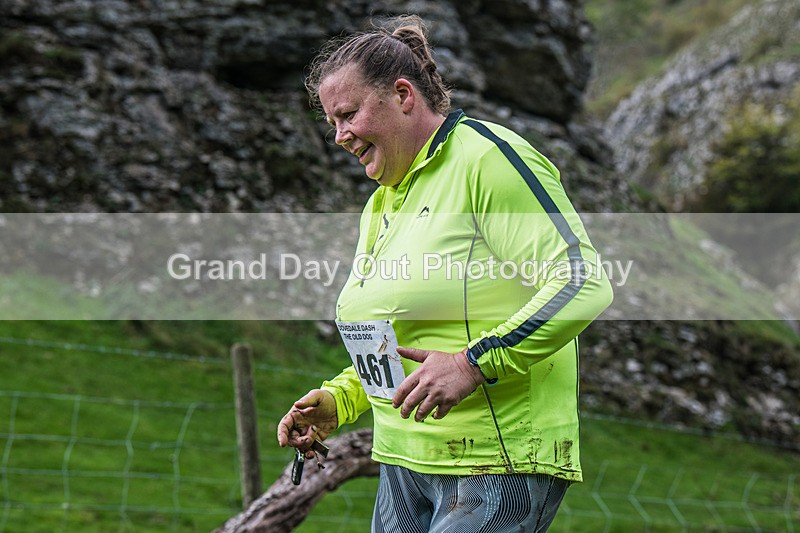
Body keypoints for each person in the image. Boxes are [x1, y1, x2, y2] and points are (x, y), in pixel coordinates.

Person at [277, 15, 613, 532]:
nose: (340, 136)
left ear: (403, 95)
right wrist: (339, 400)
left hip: (493, 463)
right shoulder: (382, 203)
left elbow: (581, 281)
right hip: (404, 465)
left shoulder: (488, 159)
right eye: (332, 124)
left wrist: (473, 364)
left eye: (348, 115)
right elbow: (397, 334)